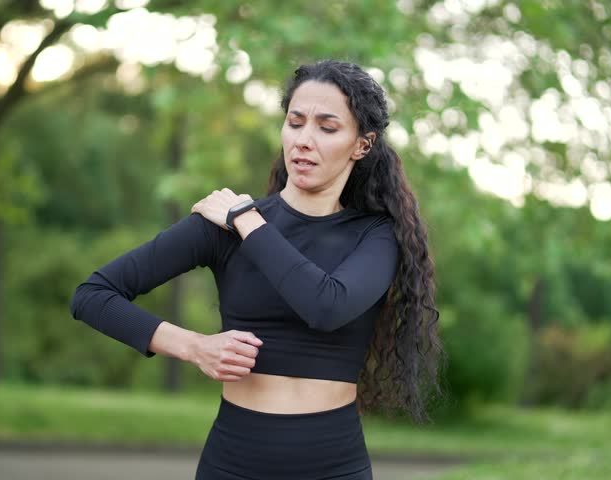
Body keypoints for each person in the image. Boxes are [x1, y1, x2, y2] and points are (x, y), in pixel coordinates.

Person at [70, 60, 443, 479]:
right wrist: (193, 346)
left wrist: (248, 221)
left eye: (327, 127)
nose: (303, 140)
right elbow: (92, 295)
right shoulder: (220, 227)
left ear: (362, 145)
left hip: (334, 464)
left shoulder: (375, 236)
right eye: (295, 122)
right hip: (234, 461)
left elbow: (326, 306)